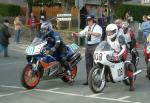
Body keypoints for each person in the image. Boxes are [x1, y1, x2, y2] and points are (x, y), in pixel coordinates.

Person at [73, 15, 102, 85]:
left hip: (95, 45)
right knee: (88, 63)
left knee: (96, 63)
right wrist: (76, 34)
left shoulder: (97, 27)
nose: (88, 22)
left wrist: (90, 32)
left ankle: (97, 80)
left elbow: (99, 34)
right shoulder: (87, 27)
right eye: (88, 21)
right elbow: (81, 34)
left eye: (90, 20)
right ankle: (89, 80)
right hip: (88, 46)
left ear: (93, 20)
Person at [106, 23, 135, 91]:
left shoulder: (120, 37)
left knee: (127, 65)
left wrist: (118, 55)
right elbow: (105, 45)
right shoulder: (107, 38)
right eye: (108, 32)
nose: (109, 33)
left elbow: (124, 48)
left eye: (110, 32)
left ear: (115, 31)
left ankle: (131, 84)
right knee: (107, 61)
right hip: (115, 52)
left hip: (125, 51)